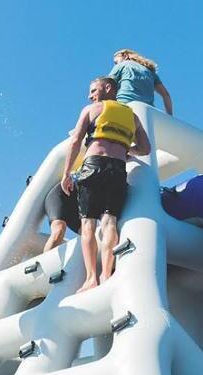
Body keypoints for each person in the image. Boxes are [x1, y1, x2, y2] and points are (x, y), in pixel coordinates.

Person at [61, 77, 151, 293]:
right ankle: (106, 273)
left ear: (108, 87)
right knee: (110, 222)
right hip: (117, 169)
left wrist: (66, 174)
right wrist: (126, 149)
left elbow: (75, 141)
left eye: (94, 90)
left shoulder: (93, 109)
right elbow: (145, 149)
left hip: (93, 165)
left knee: (88, 223)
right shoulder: (133, 116)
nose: (90, 95)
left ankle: (91, 278)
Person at [109, 49, 173, 115]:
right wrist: (170, 116)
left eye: (116, 62)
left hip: (124, 105)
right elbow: (166, 95)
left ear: (125, 56)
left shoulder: (122, 65)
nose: (115, 65)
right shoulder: (151, 72)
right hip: (147, 112)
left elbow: (107, 84)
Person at [43, 182, 81, 252]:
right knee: (59, 230)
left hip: (77, 209)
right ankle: (43, 260)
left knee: (88, 233)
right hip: (61, 195)